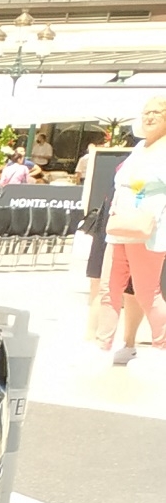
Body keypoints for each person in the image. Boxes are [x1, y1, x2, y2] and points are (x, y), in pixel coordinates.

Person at [101, 95, 166, 366]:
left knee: (146, 292)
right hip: (120, 224)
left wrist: (134, 183)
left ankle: (161, 344)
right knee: (109, 287)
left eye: (156, 112)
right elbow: (122, 181)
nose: (149, 117)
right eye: (145, 112)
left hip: (148, 227)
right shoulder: (140, 147)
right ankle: (104, 345)